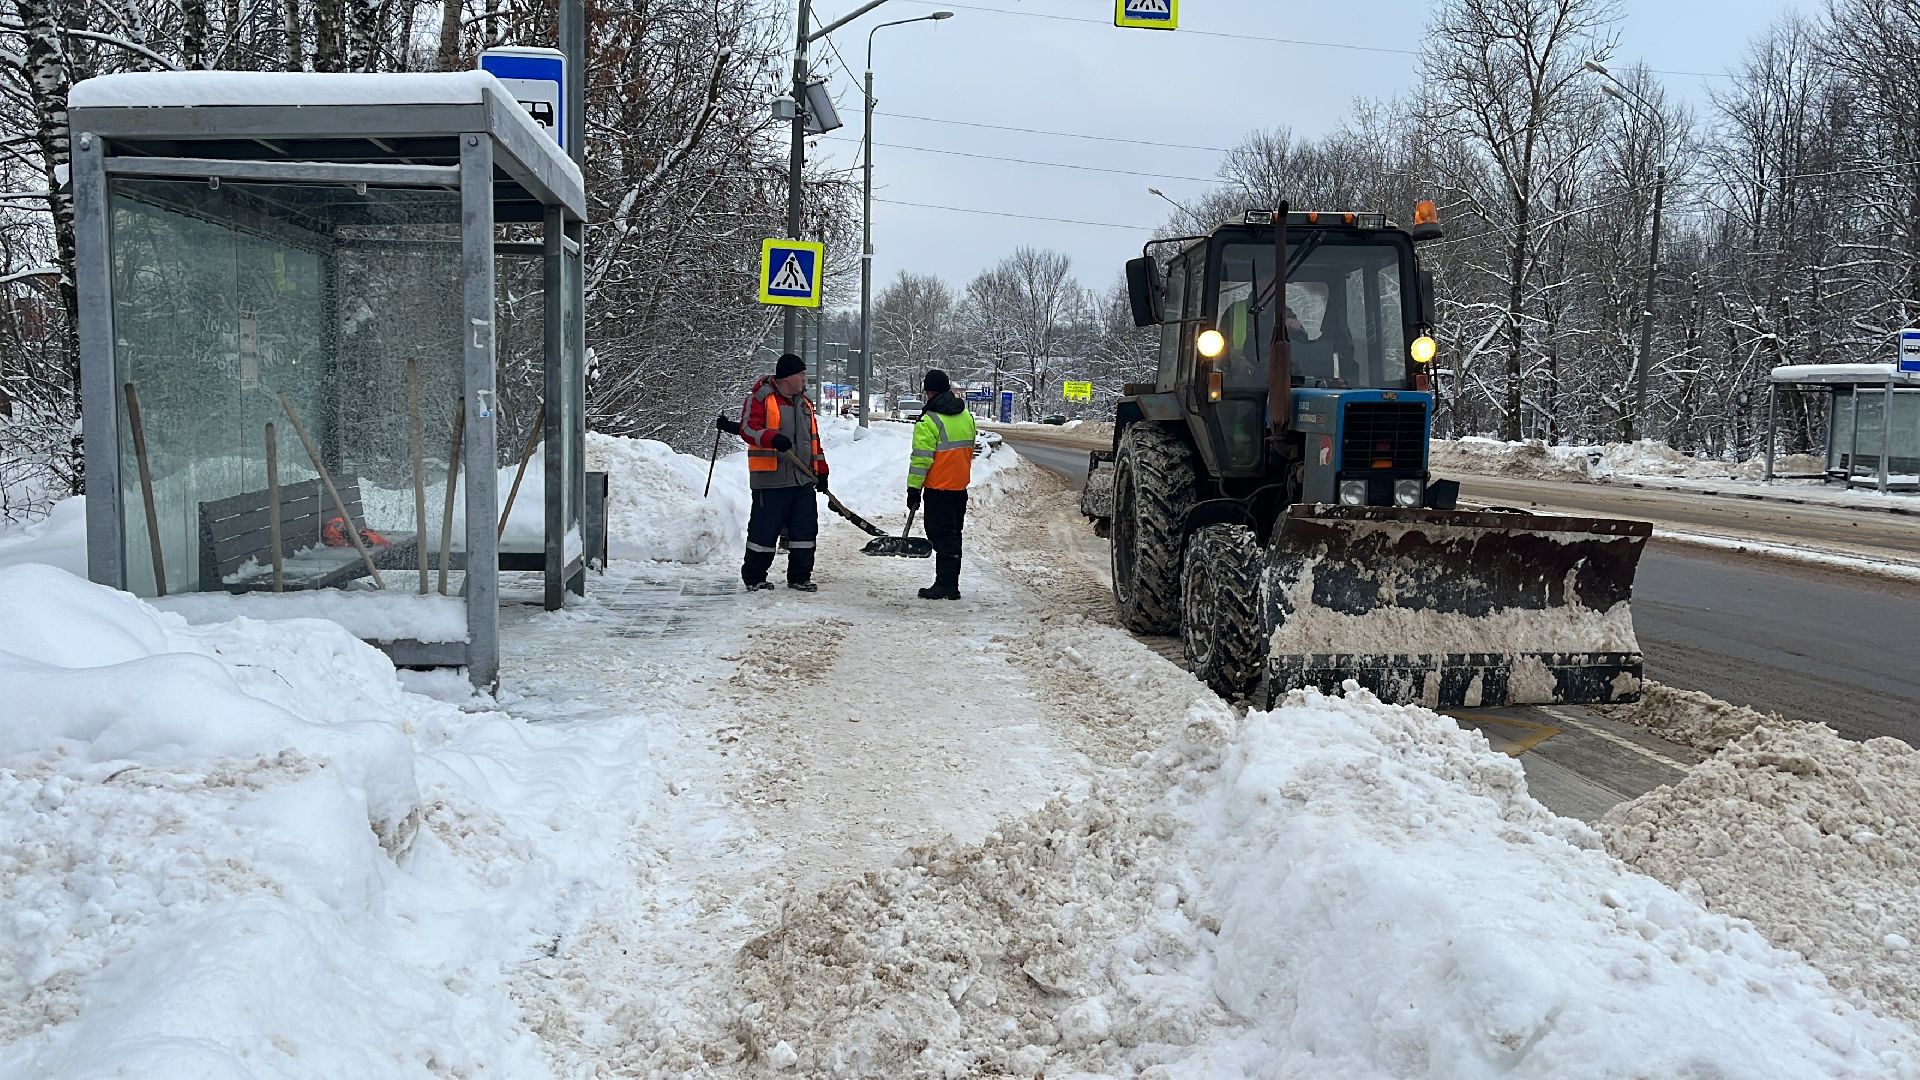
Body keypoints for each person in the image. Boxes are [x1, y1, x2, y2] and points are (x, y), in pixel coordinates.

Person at [715, 353, 829, 592]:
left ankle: (800, 576)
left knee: (805, 531)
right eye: (801, 375)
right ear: (787, 377)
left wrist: (822, 471)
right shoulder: (761, 398)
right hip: (771, 479)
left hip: (802, 479)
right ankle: (755, 577)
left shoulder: (804, 403)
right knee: (764, 531)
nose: (804, 379)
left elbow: (814, 441)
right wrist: (772, 438)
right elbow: (748, 428)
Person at [905, 369, 976, 600]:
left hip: (938, 489)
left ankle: (946, 585)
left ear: (928, 392)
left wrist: (913, 489)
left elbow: (921, 459)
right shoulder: (965, 415)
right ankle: (950, 583)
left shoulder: (929, 420)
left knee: (941, 536)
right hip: (959, 487)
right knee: (953, 535)